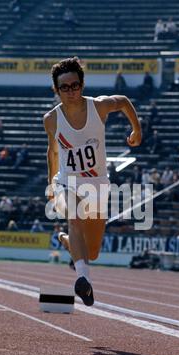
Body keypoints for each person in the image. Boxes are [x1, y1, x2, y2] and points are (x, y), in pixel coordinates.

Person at [44, 57, 141, 306]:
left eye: (74, 85)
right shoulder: (51, 120)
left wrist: (136, 130)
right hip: (67, 181)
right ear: (56, 90)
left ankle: (65, 240)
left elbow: (123, 102)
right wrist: (51, 186)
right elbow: (53, 153)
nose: (70, 91)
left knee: (93, 251)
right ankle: (83, 280)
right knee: (75, 218)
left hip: (97, 184)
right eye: (64, 87)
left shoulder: (98, 107)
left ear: (82, 84)